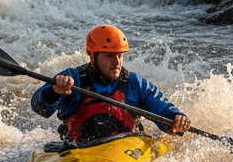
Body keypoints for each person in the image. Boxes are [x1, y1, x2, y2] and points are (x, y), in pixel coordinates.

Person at [31, 24, 191, 143]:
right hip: (79, 151)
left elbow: (163, 112)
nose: (117, 62)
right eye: (109, 56)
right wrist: (54, 91)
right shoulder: (71, 79)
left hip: (124, 152)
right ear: (91, 55)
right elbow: (39, 107)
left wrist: (176, 119)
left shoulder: (136, 85)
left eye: (120, 56)